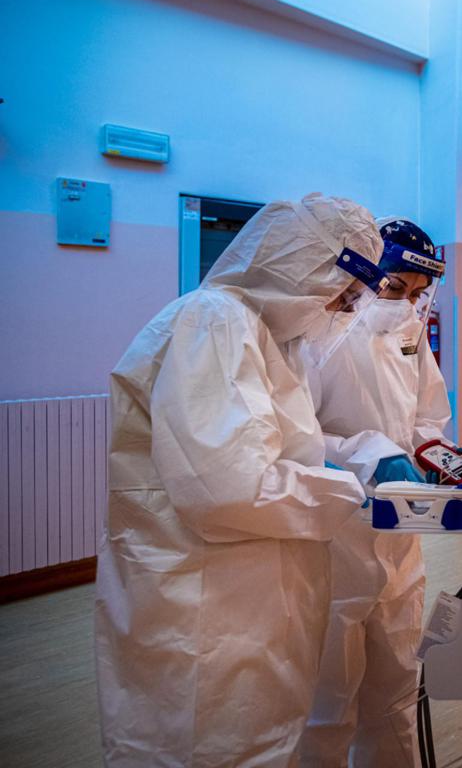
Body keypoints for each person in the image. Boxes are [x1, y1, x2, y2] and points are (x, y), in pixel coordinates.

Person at [94, 193, 388, 767]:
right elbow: (227, 490)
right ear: (303, 265)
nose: (344, 310)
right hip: (207, 602)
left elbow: (273, 446)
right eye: (343, 292)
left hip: (248, 596)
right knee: (208, 744)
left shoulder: (266, 336)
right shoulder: (216, 321)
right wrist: (347, 491)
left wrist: (347, 462)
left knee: (258, 738)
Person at [297, 217, 452, 767]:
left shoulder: (410, 332)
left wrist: (435, 453)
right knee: (329, 701)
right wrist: (368, 454)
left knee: (397, 691)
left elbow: (428, 414)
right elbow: (296, 435)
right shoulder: (317, 333)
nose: (406, 303)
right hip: (337, 537)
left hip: (401, 537)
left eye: (417, 293)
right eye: (396, 287)